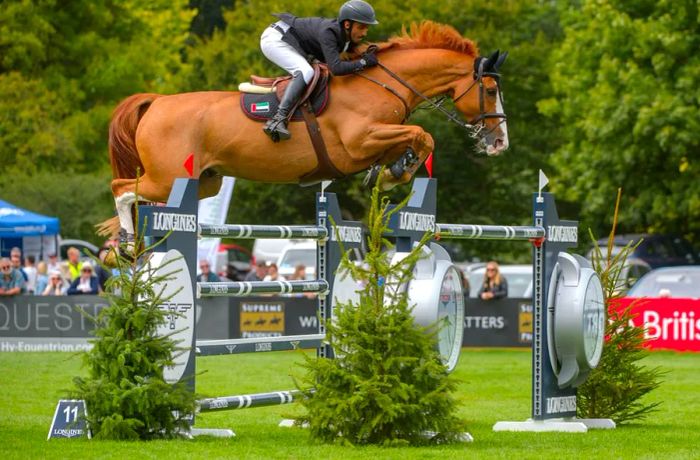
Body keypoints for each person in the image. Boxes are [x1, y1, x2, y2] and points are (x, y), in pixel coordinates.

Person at [259, 0, 379, 141]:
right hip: (276, 39)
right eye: (361, 27)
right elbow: (336, 68)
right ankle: (278, 119)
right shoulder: (328, 33)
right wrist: (364, 62)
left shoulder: (345, 37)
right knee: (305, 71)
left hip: (288, 39)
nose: (365, 32)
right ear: (347, 24)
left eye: (367, 28)